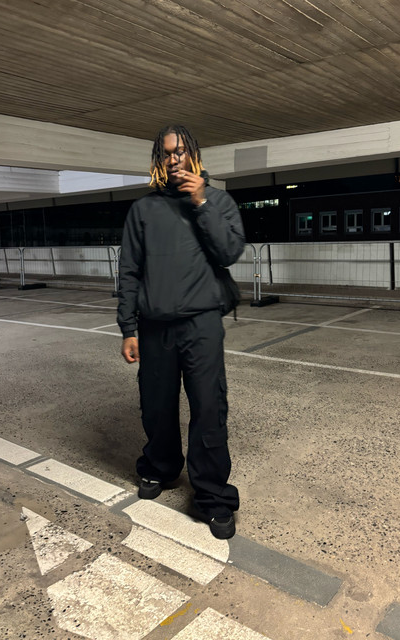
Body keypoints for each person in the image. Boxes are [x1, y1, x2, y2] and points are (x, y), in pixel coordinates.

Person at [117, 124, 245, 539]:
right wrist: (128, 327)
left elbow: (230, 251)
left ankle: (213, 496)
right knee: (156, 404)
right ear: (159, 159)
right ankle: (160, 467)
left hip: (202, 323)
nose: (174, 159)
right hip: (154, 326)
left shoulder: (218, 201)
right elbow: (129, 271)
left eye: (181, 151)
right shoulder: (143, 209)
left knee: (208, 408)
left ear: (193, 155)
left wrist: (201, 201)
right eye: (167, 153)